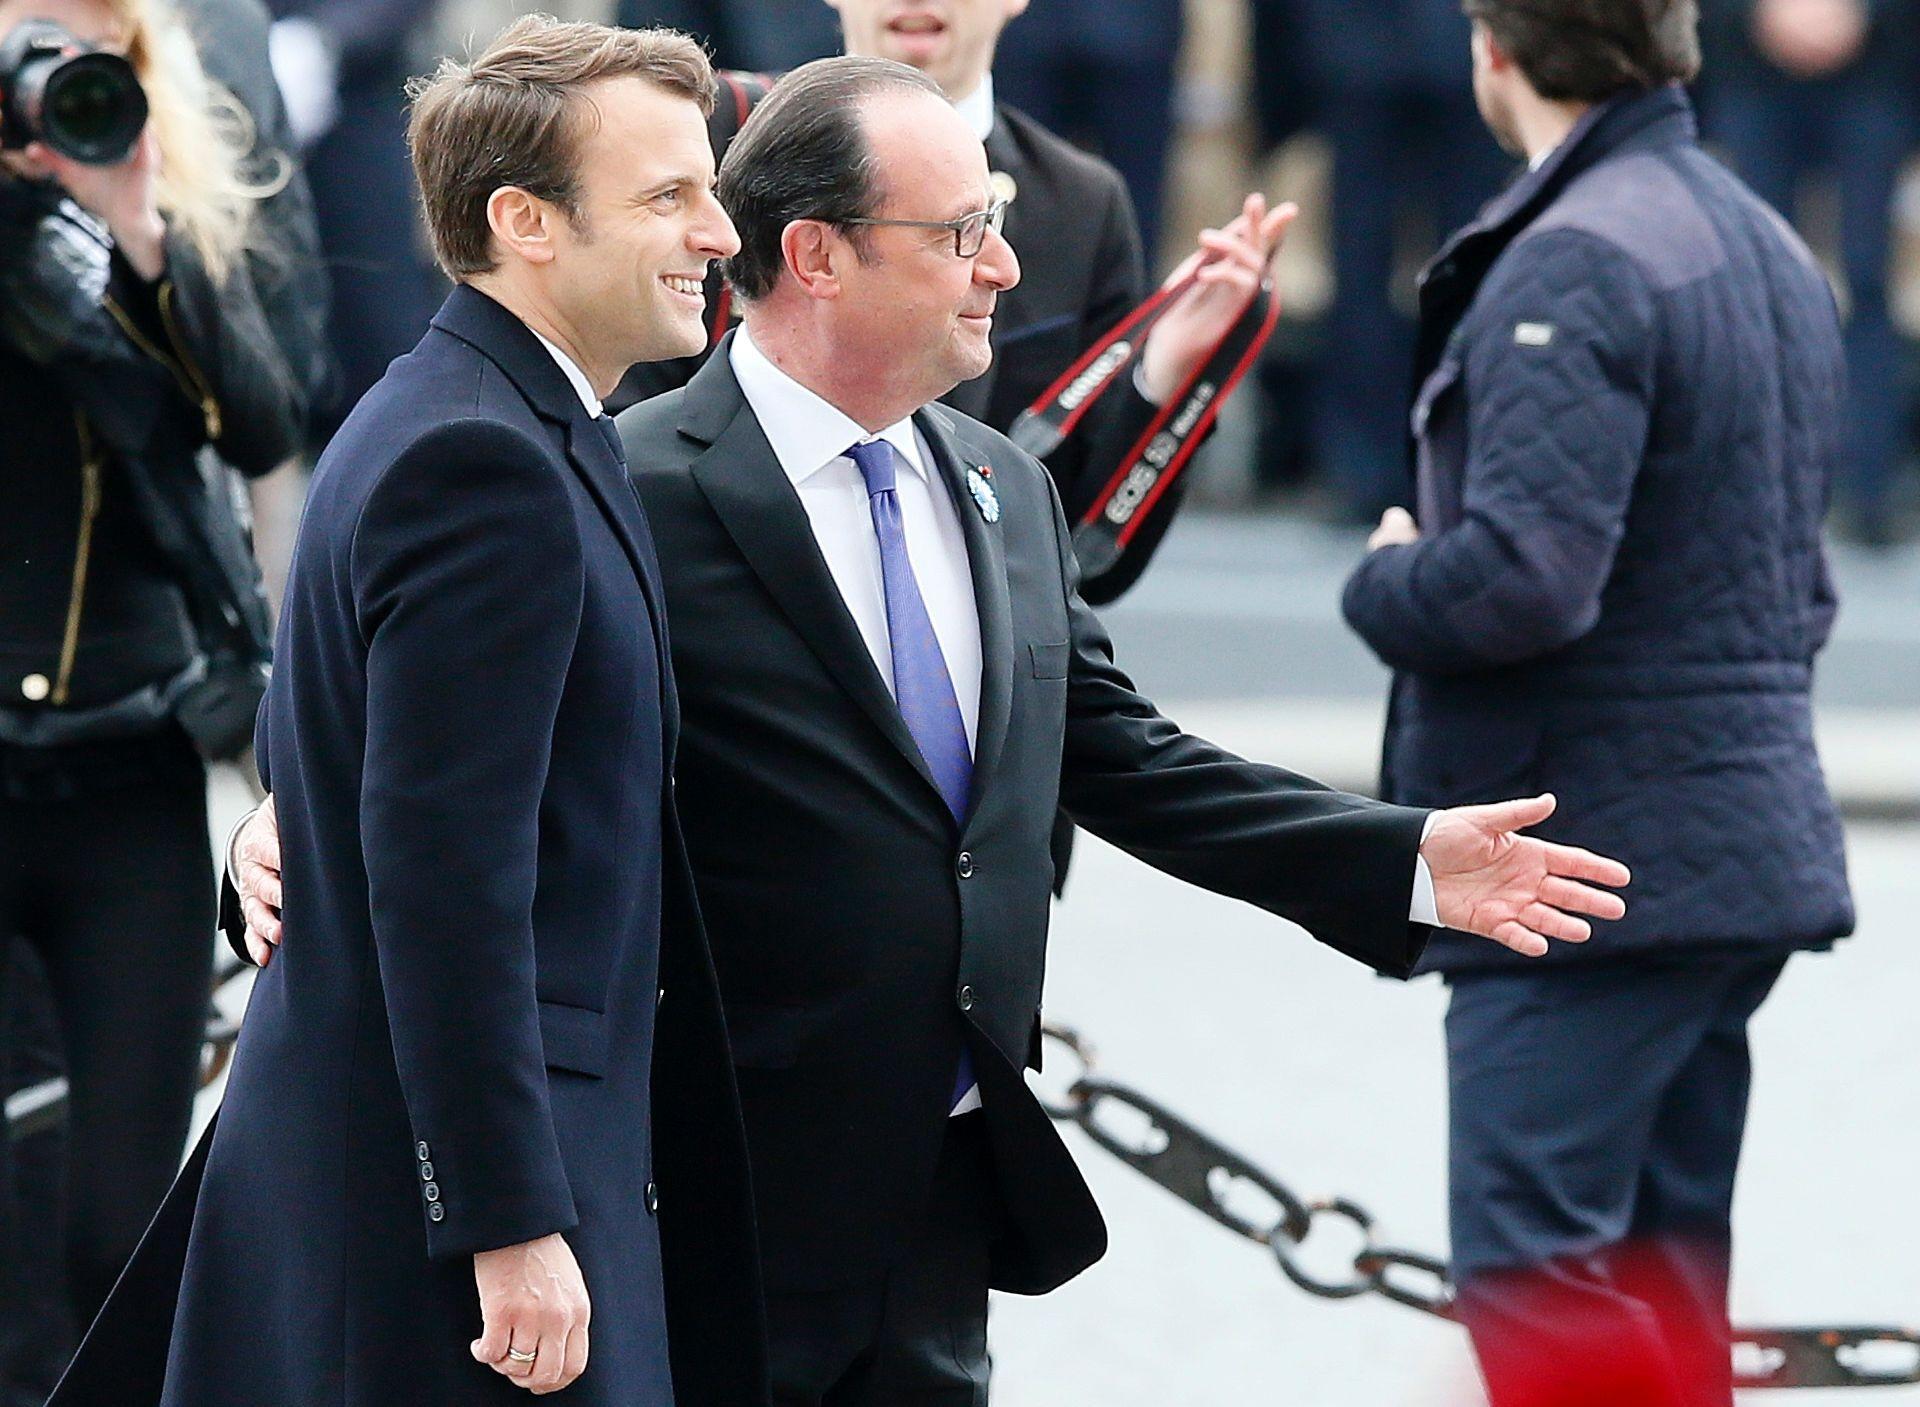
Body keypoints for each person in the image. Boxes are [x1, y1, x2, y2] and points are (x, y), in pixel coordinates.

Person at [231, 54, 1634, 1406]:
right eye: (963, 232)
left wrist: (1400, 858)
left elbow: (1119, 754)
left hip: (942, 1191)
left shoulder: (1003, 489)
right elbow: (444, 745)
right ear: (819, 257)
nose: (1005, 268)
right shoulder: (624, 483)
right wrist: (283, 818)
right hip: (711, 1191)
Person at [50, 17, 763, 1407]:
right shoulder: (483, 458)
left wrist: (282, 825)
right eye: (669, 195)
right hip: (447, 1238)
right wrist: (506, 1218)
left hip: (424, 1189)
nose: (717, 232)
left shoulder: (476, 413)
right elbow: (447, 880)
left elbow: (329, 750)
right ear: (525, 223)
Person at [1340, 3, 1855, 1403]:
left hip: (1579, 864)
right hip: (1722, 844)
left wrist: (1389, 577)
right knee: (1662, 1278)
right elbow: (1795, 582)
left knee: (1537, 1276)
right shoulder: (1761, 239)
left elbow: (1524, 580)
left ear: (1494, 50)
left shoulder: (1576, 254)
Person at [0, 0, 321, 1395]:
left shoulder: (171, 206)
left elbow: (260, 422)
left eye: (85, 53)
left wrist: (136, 225)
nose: (52, 78)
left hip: (128, 764)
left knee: (118, 1227)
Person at [620, 0, 1281, 608]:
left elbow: (1082, 564)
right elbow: (623, 420)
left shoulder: (1078, 203)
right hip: (711, 594)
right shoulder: (712, 140)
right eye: (961, 231)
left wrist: (1161, 375)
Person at [1284, 0, 1514, 523]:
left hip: (1361, 42)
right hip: (1466, 38)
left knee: (1362, 264)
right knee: (1470, 263)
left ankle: (1361, 465)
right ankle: (1460, 460)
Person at [1699, 0, 1917, 545]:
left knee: (1868, 278)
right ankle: (1758, 478)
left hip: (1876, 72)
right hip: (1751, 70)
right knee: (1757, 282)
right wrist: (1759, 15)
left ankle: (1868, 484)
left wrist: (1863, 14)